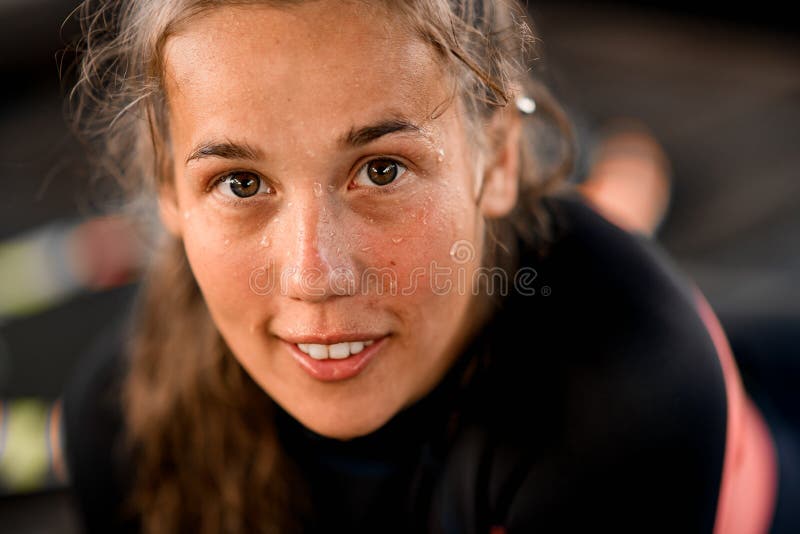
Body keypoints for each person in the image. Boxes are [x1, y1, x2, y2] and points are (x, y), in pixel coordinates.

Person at [61, 1, 789, 533]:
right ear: (168, 192)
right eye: (241, 183)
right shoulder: (120, 426)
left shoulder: (629, 398)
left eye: (381, 170)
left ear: (498, 157)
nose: (314, 275)